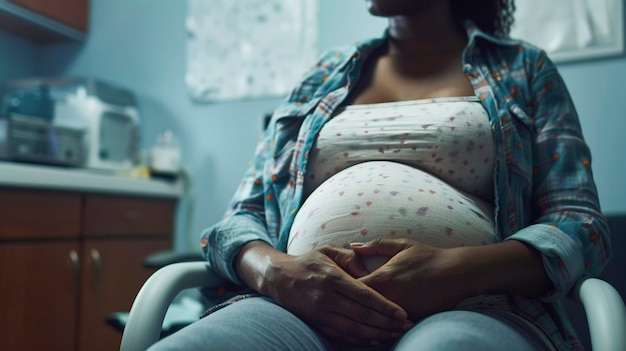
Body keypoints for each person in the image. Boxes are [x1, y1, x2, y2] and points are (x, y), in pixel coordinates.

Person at [150, 0, 610, 350]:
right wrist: (278, 273)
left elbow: (580, 228)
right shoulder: (322, 78)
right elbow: (239, 219)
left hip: (476, 308)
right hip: (298, 311)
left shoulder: (523, 70)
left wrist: (456, 271)